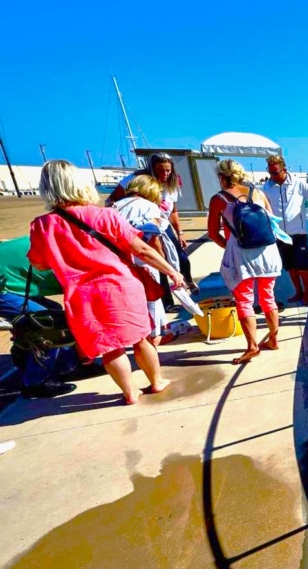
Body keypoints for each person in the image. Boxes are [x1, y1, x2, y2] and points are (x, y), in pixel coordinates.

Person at [28, 160, 184, 404]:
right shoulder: (105, 215)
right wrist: (172, 272)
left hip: (81, 294)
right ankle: (157, 381)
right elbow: (141, 249)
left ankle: (130, 393)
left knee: (110, 345)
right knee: (140, 338)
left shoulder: (42, 225)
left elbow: (39, 263)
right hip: (120, 286)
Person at [207, 159, 282, 365]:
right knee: (268, 297)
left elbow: (212, 233)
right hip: (267, 251)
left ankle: (252, 347)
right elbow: (272, 222)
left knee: (244, 300)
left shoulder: (219, 198)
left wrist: (229, 246)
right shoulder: (258, 192)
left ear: (221, 177)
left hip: (241, 254)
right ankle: (273, 340)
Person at [0, 235, 81, 398]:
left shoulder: (76, 244)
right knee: (46, 324)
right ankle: (35, 382)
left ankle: (66, 367)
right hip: (4, 285)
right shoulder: (83, 262)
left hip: (13, 277)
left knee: (54, 313)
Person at [107, 153, 198, 295]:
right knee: (156, 260)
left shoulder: (171, 184)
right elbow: (111, 200)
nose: (164, 174)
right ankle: (165, 297)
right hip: (143, 225)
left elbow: (173, 211)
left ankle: (187, 280)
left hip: (163, 224)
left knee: (180, 256)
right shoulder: (135, 180)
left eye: (168, 170)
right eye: (160, 171)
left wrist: (179, 233)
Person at [113, 175, 178, 347]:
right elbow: (153, 239)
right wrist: (163, 262)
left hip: (121, 261)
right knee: (152, 296)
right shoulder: (149, 207)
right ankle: (154, 335)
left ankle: (163, 327)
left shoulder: (115, 207)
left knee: (138, 299)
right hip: (144, 260)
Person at [262, 155, 308, 305]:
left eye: (275, 172)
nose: (272, 176)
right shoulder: (267, 187)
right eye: (270, 172)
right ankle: (298, 292)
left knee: (303, 266)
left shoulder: (298, 183)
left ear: (284, 169)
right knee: (290, 266)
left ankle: (307, 293)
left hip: (299, 233)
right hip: (280, 234)